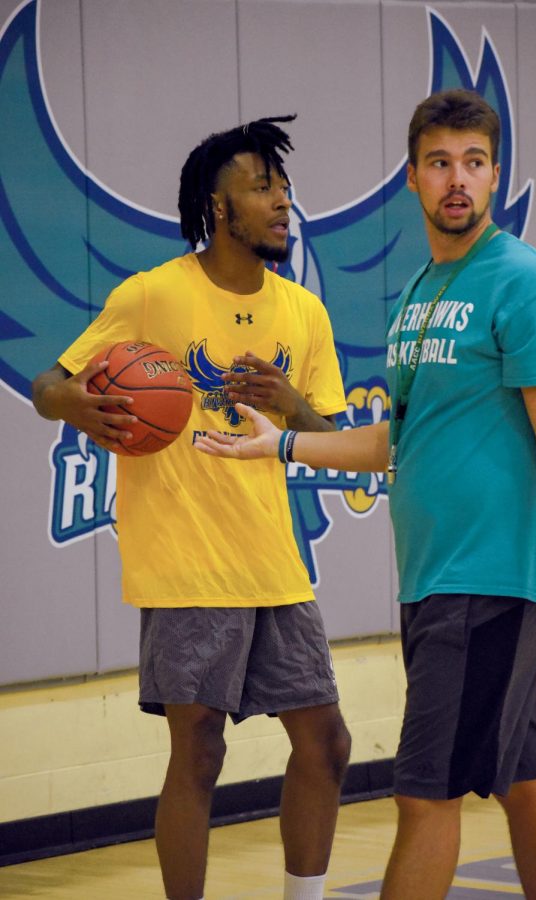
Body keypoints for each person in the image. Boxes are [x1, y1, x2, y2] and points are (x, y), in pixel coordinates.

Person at [195, 91, 536, 899]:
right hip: (433, 580)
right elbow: (396, 443)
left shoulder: (528, 286)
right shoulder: (419, 294)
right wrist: (275, 442)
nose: (458, 180)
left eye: (475, 163)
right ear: (412, 177)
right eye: (441, 163)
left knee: (423, 797)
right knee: (528, 778)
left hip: (485, 584)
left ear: (495, 176)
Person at [32, 115, 352, 900]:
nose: (283, 201)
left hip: (274, 562)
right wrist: (77, 405)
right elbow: (49, 386)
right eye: (262, 186)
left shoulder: (304, 312)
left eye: (284, 186)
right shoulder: (152, 295)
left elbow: (334, 438)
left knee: (329, 743)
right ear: (219, 207)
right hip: (183, 558)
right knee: (200, 751)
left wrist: (289, 407)